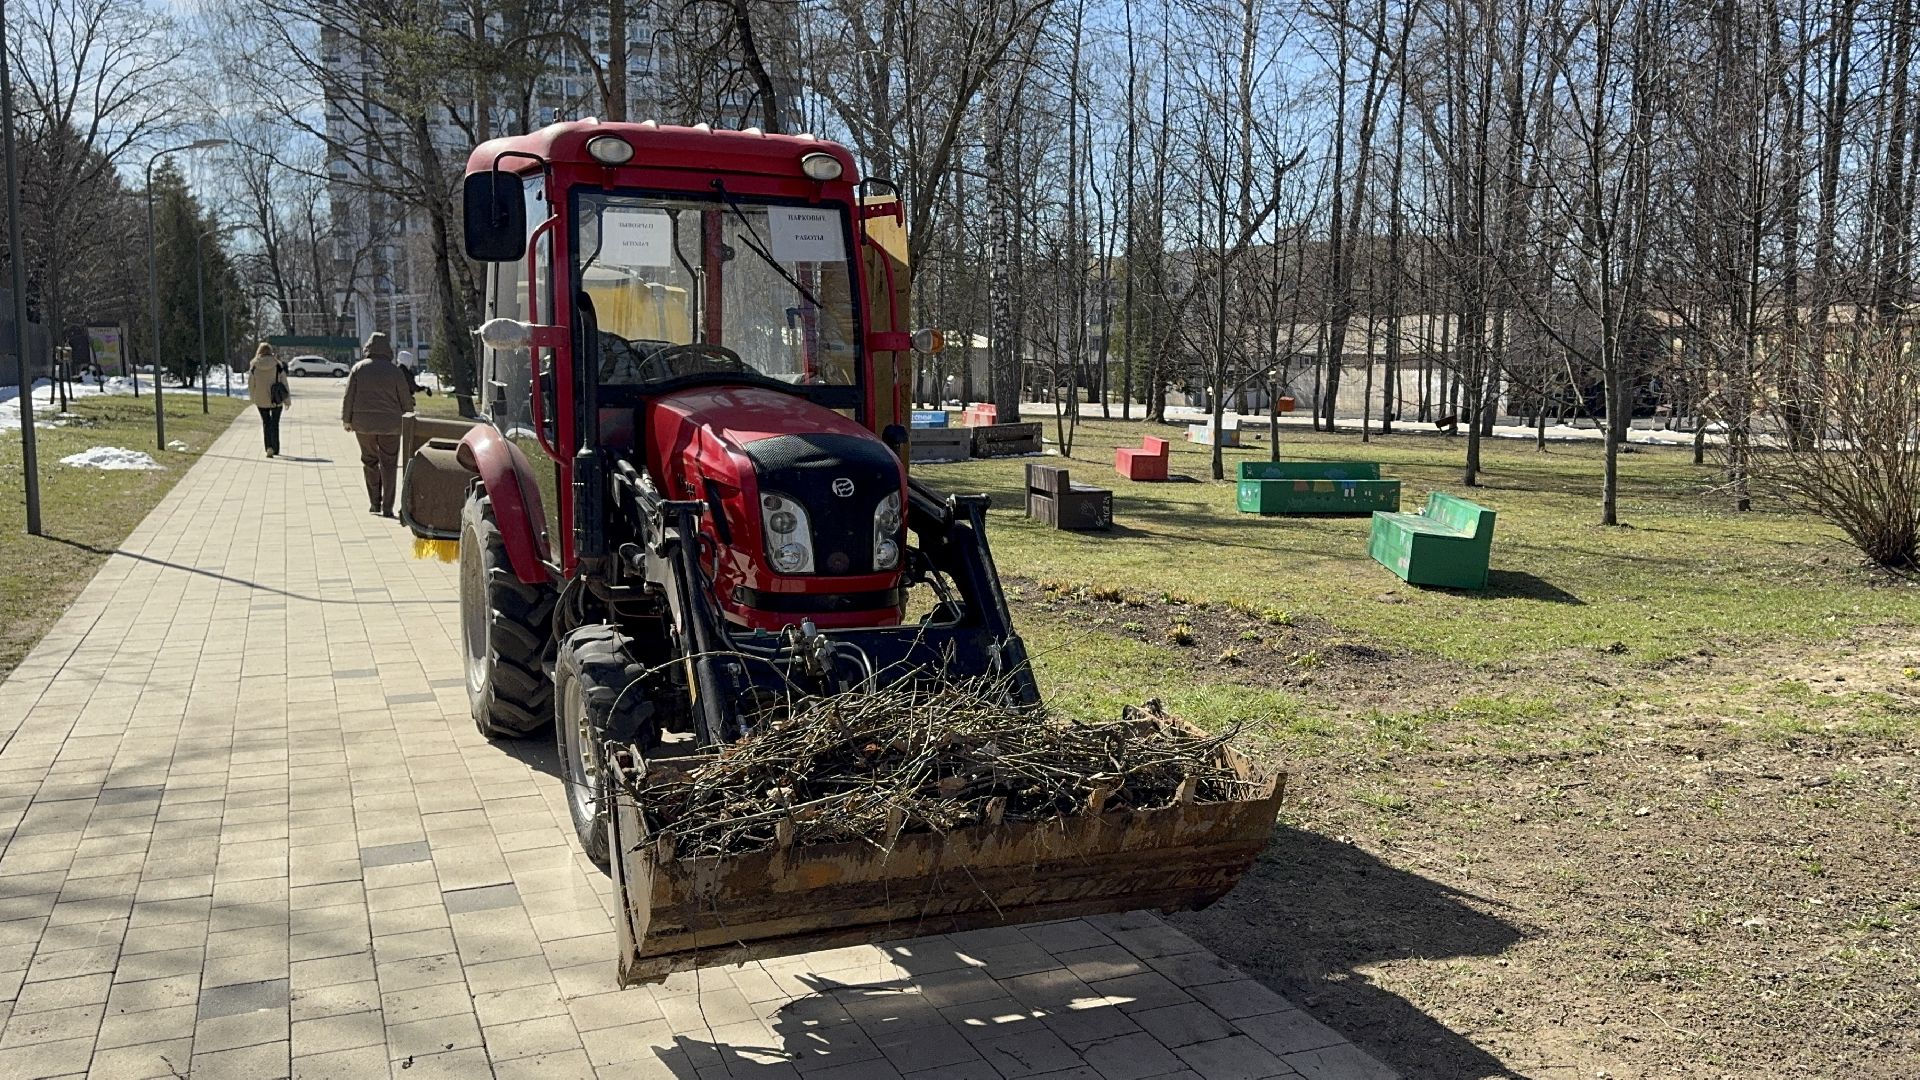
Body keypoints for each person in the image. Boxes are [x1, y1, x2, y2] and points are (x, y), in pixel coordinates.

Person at [342, 331, 415, 517]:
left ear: (368, 348)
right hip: (391, 425)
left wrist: (346, 419)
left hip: (363, 424)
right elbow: (405, 399)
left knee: (369, 461)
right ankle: (388, 507)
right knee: (389, 464)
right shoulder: (395, 371)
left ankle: (374, 503)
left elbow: (349, 396)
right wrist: (409, 418)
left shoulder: (358, 368)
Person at [246, 342, 290, 458]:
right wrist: (287, 400)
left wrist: (252, 397)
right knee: (275, 424)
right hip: (276, 399)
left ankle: (268, 447)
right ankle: (276, 448)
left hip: (261, 399)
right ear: (270, 351)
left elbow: (251, 383)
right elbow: (284, 382)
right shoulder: (277, 365)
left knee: (266, 423)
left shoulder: (254, 365)